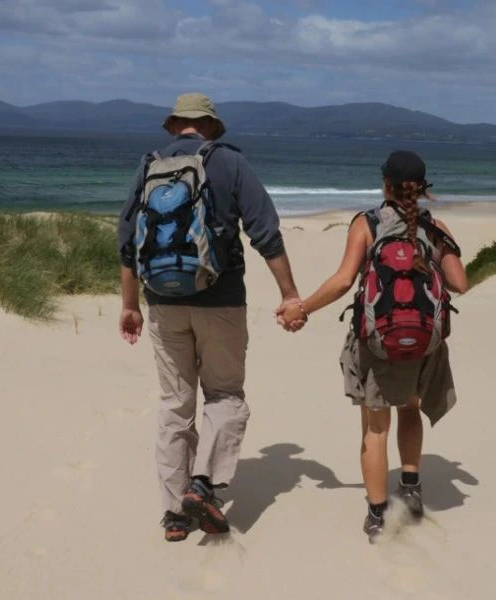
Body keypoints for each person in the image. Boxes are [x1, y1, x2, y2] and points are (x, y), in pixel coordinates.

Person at [117, 92, 302, 542]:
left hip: (163, 303)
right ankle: (203, 485)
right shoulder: (230, 163)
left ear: (175, 125)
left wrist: (129, 305)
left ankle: (175, 515)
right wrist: (290, 293)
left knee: (174, 406)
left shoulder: (149, 166)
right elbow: (265, 232)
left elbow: (128, 245)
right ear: (211, 127)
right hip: (220, 302)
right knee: (224, 395)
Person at [277, 150, 467, 542]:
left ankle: (378, 514)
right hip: (424, 345)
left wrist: (302, 309)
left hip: (378, 343)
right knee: (410, 407)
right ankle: (410, 487)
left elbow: (344, 280)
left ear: (385, 185)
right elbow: (460, 284)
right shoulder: (436, 228)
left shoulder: (367, 223)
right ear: (423, 189)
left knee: (375, 426)